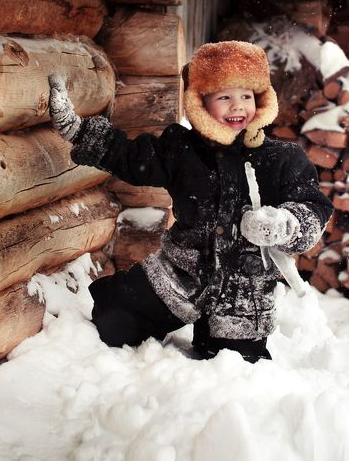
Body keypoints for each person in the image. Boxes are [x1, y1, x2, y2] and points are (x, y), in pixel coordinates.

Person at [47, 40, 332, 363]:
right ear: (200, 102)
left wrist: (284, 224)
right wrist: (78, 131)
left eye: (246, 96)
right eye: (224, 97)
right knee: (113, 322)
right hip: (180, 274)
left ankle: (217, 338)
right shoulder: (182, 151)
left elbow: (314, 206)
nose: (237, 107)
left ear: (261, 100)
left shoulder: (281, 158)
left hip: (243, 293)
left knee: (236, 365)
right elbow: (131, 157)